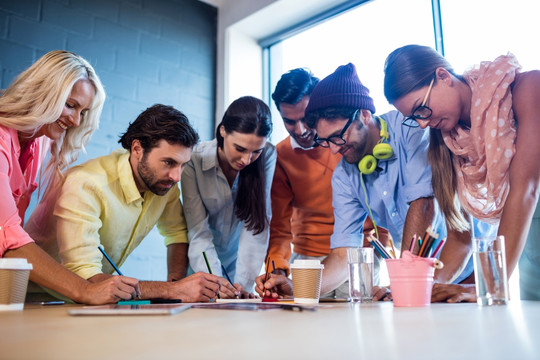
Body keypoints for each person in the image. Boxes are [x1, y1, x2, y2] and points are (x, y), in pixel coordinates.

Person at [256, 63, 470, 300]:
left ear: (364, 115)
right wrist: (295, 286)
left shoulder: (410, 127)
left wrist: (407, 283)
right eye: (326, 141)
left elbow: (423, 204)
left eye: (338, 137)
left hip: (466, 260)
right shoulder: (344, 176)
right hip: (419, 276)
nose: (335, 150)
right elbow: (342, 254)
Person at [26, 104, 235, 302]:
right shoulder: (86, 184)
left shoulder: (163, 187)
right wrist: (173, 290)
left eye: (182, 165)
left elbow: (176, 234)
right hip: (33, 302)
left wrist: (177, 282)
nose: (176, 176)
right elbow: (87, 278)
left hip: (89, 306)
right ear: (137, 149)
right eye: (169, 162)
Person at [383, 44, 540, 301]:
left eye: (421, 108)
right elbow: (459, 238)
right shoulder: (448, 143)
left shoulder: (528, 87)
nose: (422, 123)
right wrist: (425, 288)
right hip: (526, 248)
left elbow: (526, 190)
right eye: (414, 118)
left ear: (443, 77)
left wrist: (490, 286)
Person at [0, 50, 139, 304]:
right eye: (71, 105)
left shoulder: (37, 143)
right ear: (44, 92)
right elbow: (8, 238)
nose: (75, 120)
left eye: (83, 112)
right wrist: (85, 290)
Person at [259, 68, 389, 299]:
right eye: (289, 121)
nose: (300, 130)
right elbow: (279, 226)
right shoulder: (280, 156)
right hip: (306, 260)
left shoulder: (350, 143)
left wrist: (380, 248)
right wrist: (275, 269)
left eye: (305, 119)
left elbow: (383, 202)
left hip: (359, 256)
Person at [181, 96, 276, 294]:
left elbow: (257, 227)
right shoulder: (194, 159)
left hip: (242, 265)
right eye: (239, 149)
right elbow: (198, 231)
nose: (246, 160)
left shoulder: (267, 155)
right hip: (202, 264)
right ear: (223, 130)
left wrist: (243, 284)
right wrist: (216, 283)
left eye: (255, 151)